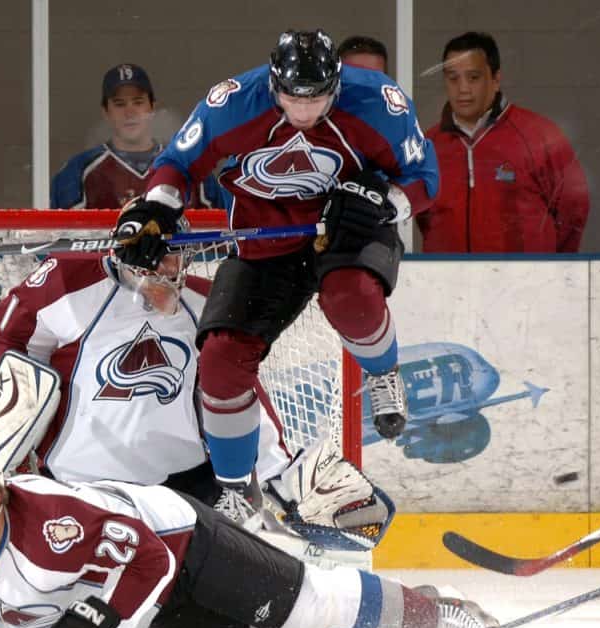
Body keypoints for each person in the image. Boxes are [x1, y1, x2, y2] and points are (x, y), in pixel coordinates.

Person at [111, 30, 438, 505]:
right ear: (272, 83)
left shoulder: (378, 104)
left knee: (351, 298)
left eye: (319, 98)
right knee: (221, 361)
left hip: (348, 229)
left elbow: (425, 178)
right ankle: (237, 488)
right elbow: (178, 164)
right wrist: (158, 207)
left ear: (337, 83)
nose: (305, 113)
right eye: (292, 98)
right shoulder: (232, 103)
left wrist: (384, 203)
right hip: (267, 240)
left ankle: (383, 372)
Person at [0, 438, 500, 628]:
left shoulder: (53, 518)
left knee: (301, 608)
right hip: (138, 595)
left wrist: (98, 618)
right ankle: (390, 619)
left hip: (182, 541)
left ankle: (436, 612)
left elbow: (149, 557)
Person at [0, 216, 395, 550]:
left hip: (186, 490)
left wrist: (281, 471)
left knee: (255, 583)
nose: (172, 270)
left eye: (179, 256)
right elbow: (8, 337)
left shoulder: (205, 301)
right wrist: (16, 411)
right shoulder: (70, 285)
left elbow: (234, 389)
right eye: (162, 260)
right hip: (81, 487)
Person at [416, 32, 590, 252]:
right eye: (453, 78)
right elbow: (424, 219)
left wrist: (550, 267)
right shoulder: (429, 145)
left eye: (473, 77)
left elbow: (573, 209)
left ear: (496, 79)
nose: (463, 89)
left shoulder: (539, 136)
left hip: (526, 283)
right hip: (448, 282)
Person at [51, 63, 223, 209]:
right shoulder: (79, 171)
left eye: (138, 102)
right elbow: (59, 241)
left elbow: (224, 235)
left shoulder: (187, 165)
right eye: (120, 104)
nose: (130, 113)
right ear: (105, 111)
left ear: (152, 107)